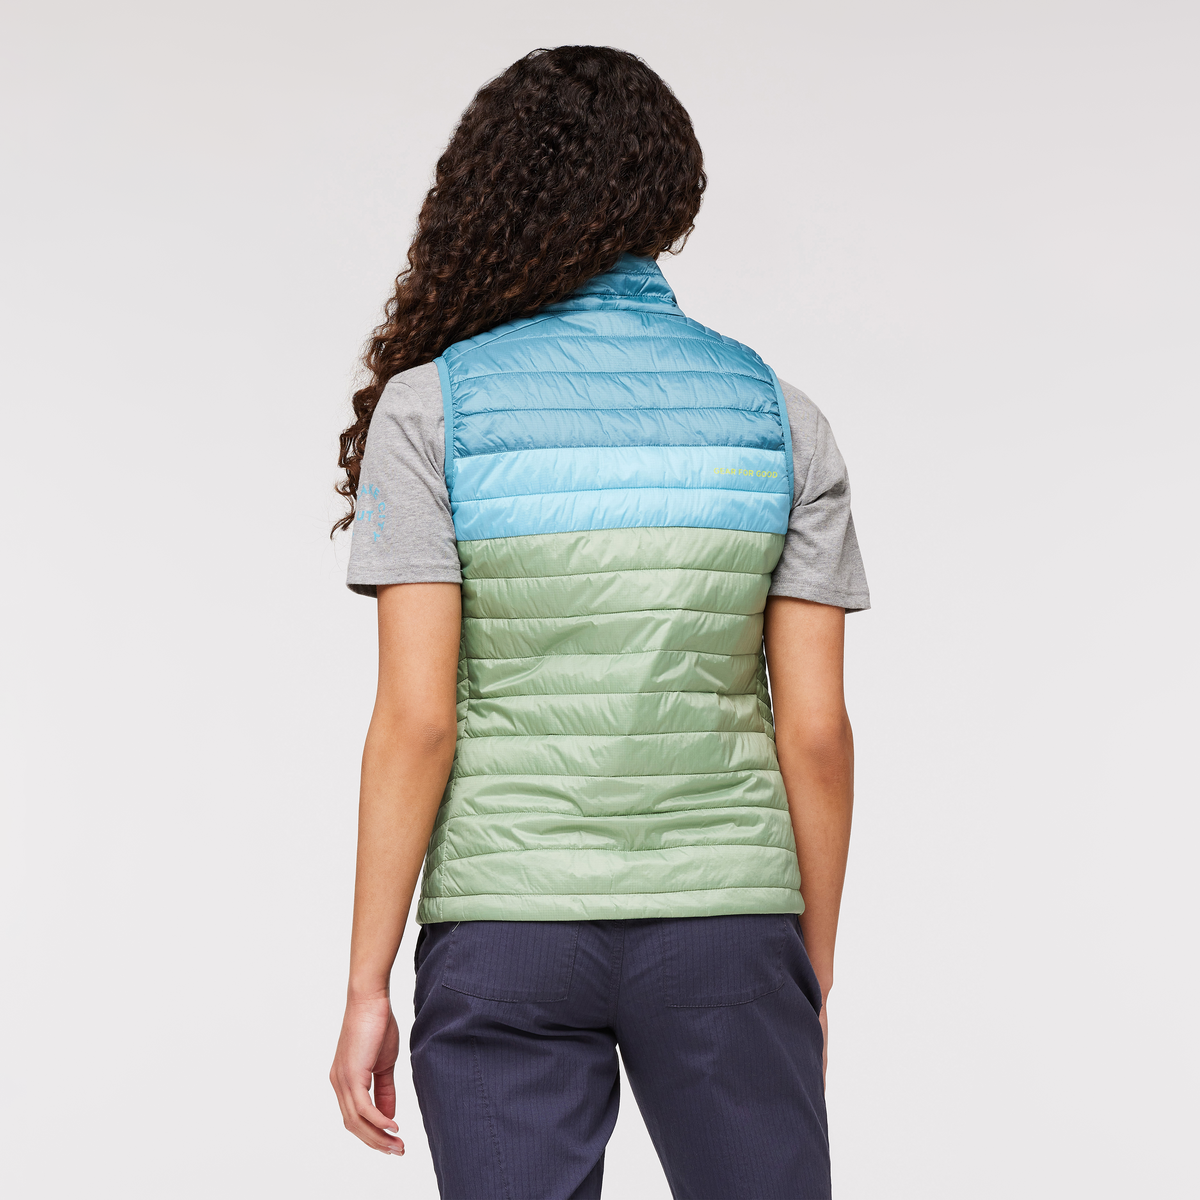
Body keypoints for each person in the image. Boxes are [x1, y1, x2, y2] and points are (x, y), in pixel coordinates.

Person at [329, 45, 869, 1200]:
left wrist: (368, 982)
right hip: (729, 924)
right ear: (671, 199)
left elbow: (417, 723)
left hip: (506, 930)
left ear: (489, 190)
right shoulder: (781, 417)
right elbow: (815, 730)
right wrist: (806, 969)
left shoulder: (432, 413)